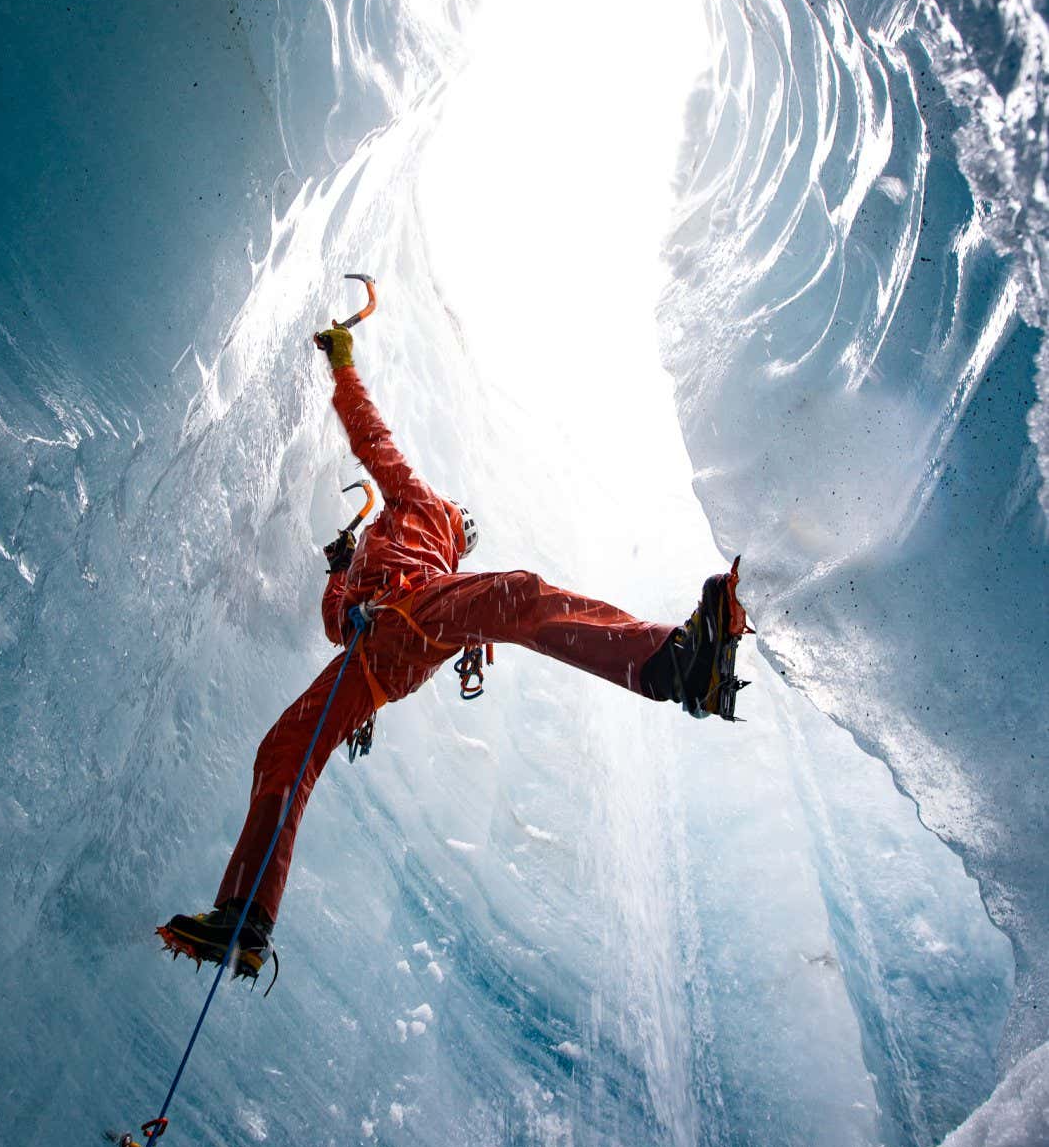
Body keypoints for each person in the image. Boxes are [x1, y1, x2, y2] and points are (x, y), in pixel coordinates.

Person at [159, 322, 747, 984]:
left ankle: (672, 662)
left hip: (415, 616)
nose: (453, 521)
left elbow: (373, 440)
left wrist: (345, 368)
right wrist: (340, 572)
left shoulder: (421, 506)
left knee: (518, 597)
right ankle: (246, 915)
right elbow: (334, 623)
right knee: (285, 746)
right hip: (381, 655)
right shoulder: (372, 552)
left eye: (458, 523)